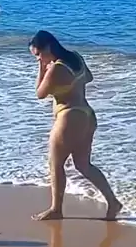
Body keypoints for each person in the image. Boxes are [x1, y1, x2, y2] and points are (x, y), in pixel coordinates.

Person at [29, 29, 121, 221]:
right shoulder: (75, 57)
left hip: (68, 117)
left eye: (38, 55)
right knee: (83, 165)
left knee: (55, 164)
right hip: (86, 115)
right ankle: (112, 202)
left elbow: (40, 93)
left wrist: (42, 68)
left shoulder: (56, 69)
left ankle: (56, 209)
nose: (39, 59)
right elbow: (89, 77)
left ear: (48, 47)